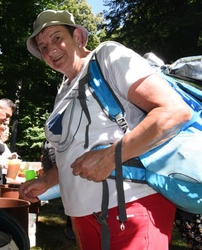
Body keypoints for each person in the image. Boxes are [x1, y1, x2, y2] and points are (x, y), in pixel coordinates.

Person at [18, 10, 191, 249]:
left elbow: (173, 111)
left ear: (78, 36)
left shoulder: (107, 56)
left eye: (56, 38)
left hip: (130, 206)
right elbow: (75, 153)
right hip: (82, 214)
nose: (50, 50)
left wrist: (111, 156)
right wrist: (47, 181)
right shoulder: (63, 90)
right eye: (43, 46)